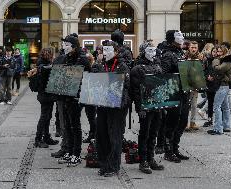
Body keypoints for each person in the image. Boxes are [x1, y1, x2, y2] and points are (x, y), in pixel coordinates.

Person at [92, 41, 130, 177]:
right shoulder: (101, 65)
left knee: (115, 136)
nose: (106, 53)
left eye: (109, 50)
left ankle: (114, 166)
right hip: (102, 104)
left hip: (116, 107)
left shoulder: (122, 66)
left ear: (116, 52)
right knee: (101, 134)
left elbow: (123, 85)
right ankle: (104, 163)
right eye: (104, 50)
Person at [56, 34, 90, 167]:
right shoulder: (66, 58)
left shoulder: (82, 60)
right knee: (68, 126)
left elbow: (87, 78)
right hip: (66, 96)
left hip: (76, 98)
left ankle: (76, 153)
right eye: (63, 45)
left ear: (74, 47)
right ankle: (69, 151)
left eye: (67, 45)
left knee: (75, 126)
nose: (64, 47)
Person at [130, 41, 164, 174]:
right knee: (145, 133)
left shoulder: (157, 64)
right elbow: (136, 91)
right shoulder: (138, 68)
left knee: (154, 132)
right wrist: (140, 108)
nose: (152, 53)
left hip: (157, 104)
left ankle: (151, 158)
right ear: (143, 51)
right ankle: (143, 160)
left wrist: (163, 102)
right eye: (149, 50)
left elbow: (162, 84)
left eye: (153, 50)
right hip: (146, 105)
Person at [160, 30, 190, 163]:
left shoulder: (180, 52)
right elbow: (164, 75)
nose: (182, 38)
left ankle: (175, 147)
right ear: (172, 39)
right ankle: (168, 151)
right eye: (179, 36)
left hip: (184, 91)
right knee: (172, 122)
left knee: (183, 121)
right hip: (173, 92)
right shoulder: (167, 54)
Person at [30, 48, 59, 148]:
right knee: (44, 117)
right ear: (49, 55)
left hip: (48, 95)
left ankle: (46, 137)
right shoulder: (42, 64)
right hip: (44, 95)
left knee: (48, 117)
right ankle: (38, 139)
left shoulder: (45, 63)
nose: (53, 56)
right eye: (52, 54)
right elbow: (44, 68)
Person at [207, 45, 231, 135]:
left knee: (217, 106)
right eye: (217, 51)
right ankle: (226, 126)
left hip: (222, 86)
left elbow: (218, 69)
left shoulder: (227, 60)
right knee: (225, 107)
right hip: (223, 85)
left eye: (220, 52)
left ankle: (218, 128)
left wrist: (215, 61)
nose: (218, 53)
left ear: (225, 52)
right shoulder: (224, 60)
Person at [185, 41, 203, 131]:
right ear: (189, 47)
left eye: (195, 47)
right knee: (185, 105)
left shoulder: (200, 57)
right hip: (186, 84)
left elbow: (203, 70)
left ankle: (192, 122)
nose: (193, 49)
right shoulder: (184, 56)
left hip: (195, 84)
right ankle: (184, 123)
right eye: (192, 47)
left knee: (194, 105)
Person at [202, 47, 220, 127]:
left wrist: (215, 78)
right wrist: (207, 77)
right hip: (209, 84)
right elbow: (204, 71)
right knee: (210, 103)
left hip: (218, 84)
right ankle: (210, 119)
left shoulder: (220, 60)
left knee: (218, 104)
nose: (215, 53)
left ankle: (218, 120)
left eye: (217, 51)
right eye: (214, 51)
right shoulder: (208, 60)